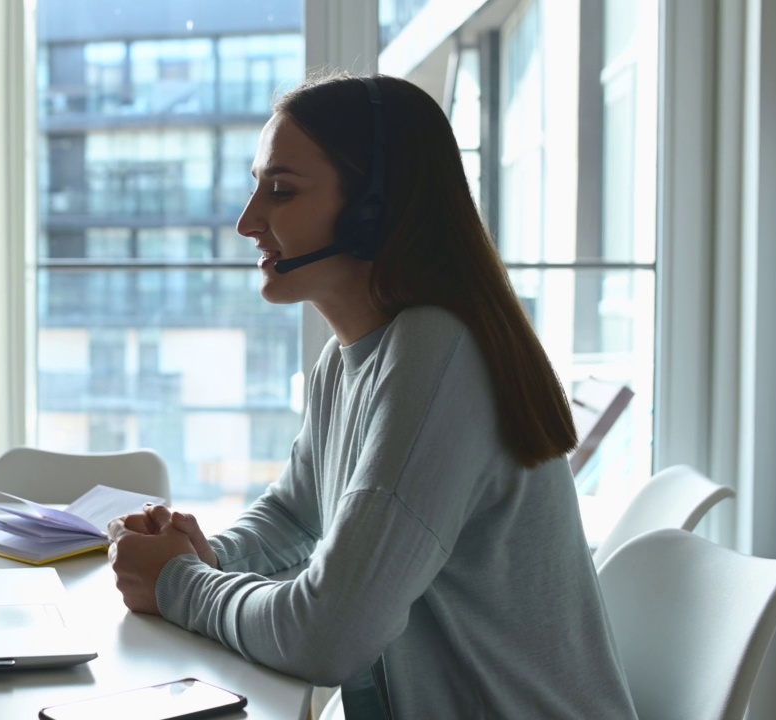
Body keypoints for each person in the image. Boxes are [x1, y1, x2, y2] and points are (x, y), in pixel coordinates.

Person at [105, 73, 636, 718]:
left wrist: (179, 583)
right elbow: (297, 517)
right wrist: (207, 554)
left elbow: (329, 636)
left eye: (281, 191)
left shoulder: (440, 353)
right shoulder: (350, 357)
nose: (248, 222)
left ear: (373, 209)